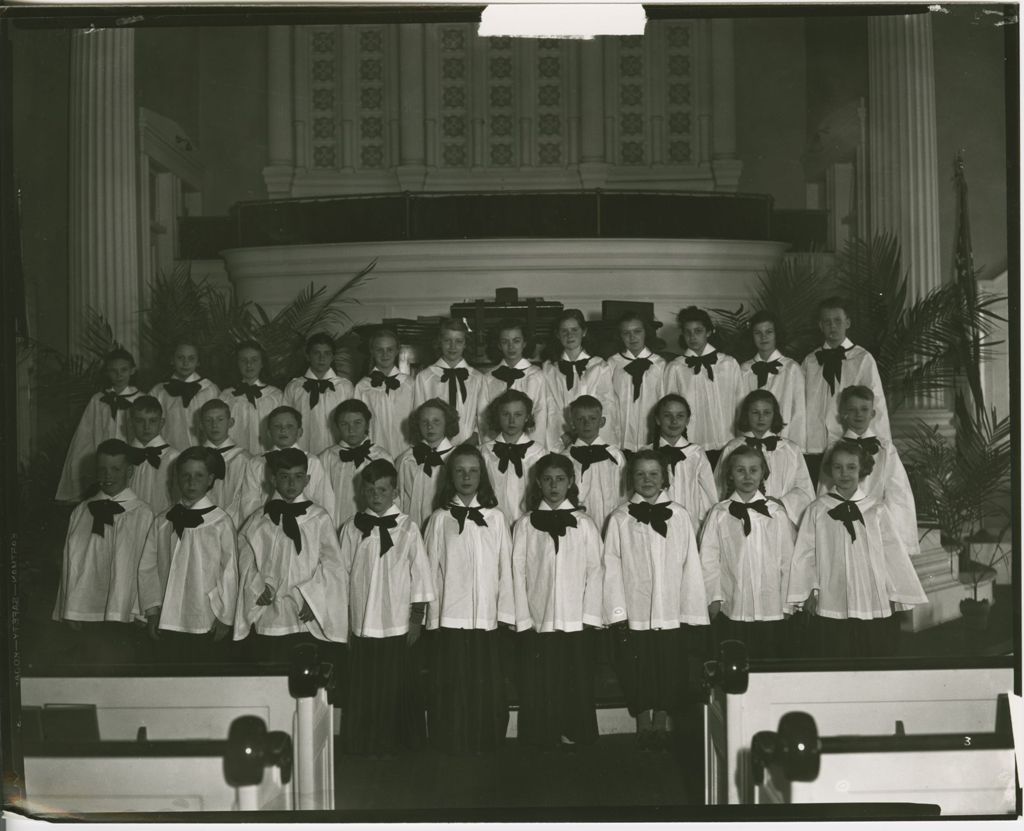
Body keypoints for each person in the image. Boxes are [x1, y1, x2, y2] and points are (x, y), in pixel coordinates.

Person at [603, 450, 708, 749]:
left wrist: (691, 609)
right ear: (630, 478)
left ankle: (661, 719)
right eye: (640, 474)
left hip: (670, 610)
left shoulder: (680, 515)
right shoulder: (620, 518)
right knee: (638, 668)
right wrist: (617, 611)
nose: (647, 480)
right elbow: (611, 567)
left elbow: (690, 564)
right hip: (635, 611)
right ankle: (642, 720)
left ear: (665, 478)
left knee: (668, 667)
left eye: (653, 474)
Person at [787, 442, 927, 658]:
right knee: (836, 652)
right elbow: (806, 554)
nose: (844, 474)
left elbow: (892, 553)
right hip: (832, 594)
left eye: (851, 467)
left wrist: (895, 590)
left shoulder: (876, 509)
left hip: (870, 594)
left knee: (872, 651)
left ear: (862, 469)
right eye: (838, 467)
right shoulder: (818, 509)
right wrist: (810, 589)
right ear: (830, 470)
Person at [339, 459, 435, 756]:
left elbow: (420, 575)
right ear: (361, 492)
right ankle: (365, 744)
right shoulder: (353, 528)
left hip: (397, 621)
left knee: (398, 684)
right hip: (363, 622)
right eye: (370, 490)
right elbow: (341, 574)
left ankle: (402, 744)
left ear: (395, 491)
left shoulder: (408, 528)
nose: (376, 496)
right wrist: (345, 622)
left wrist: (416, 619)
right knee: (366, 685)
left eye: (382, 490)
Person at [423, 445, 514, 754]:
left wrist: (504, 613)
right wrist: (432, 619)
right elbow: (430, 572)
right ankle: (450, 742)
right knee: (450, 684)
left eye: (473, 470)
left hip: (486, 618)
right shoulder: (439, 519)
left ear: (482, 476)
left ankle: (485, 741)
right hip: (450, 616)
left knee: (486, 684)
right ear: (450, 476)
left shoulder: (497, 518)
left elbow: (506, 569)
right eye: (460, 471)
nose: (466, 477)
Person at [512, 453, 603, 750]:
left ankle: (575, 732)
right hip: (540, 618)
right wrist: (524, 618)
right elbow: (518, 571)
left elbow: (595, 571)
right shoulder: (525, 525)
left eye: (560, 479)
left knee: (574, 679)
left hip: (576, 618)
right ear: (538, 483)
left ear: (571, 483)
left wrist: (590, 616)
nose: (554, 486)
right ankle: (542, 734)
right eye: (548, 480)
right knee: (540, 680)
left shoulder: (585, 523)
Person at [234, 448, 348, 659]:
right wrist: (256, 585)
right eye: (284, 477)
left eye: (297, 477)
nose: (291, 483)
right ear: (273, 479)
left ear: (307, 480)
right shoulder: (260, 519)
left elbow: (333, 565)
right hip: (269, 612)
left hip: (305, 613)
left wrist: (315, 599)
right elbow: (245, 555)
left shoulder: (319, 518)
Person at [52, 439, 155, 652]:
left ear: (129, 473)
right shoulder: (82, 511)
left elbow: (147, 566)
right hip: (86, 607)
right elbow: (70, 560)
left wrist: (144, 610)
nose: (108, 476)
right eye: (102, 469)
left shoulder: (142, 513)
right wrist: (68, 606)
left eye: (116, 469)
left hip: (125, 609)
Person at [137, 446, 239, 660]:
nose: (191, 482)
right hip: (168, 616)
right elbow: (148, 568)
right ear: (176, 478)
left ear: (210, 479)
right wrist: (152, 609)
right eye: (185, 476)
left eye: (199, 476)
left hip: (205, 616)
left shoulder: (220, 522)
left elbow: (229, 572)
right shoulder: (164, 520)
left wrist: (225, 616)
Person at [700, 445, 796, 659]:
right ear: (730, 475)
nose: (747, 476)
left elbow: (788, 561)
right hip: (732, 604)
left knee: (769, 661)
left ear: (763, 473)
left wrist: (788, 603)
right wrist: (712, 597)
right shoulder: (719, 513)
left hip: (771, 604)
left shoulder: (777, 513)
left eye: (753, 470)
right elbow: (709, 560)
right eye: (740, 470)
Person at [816, 385, 919, 558]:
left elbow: (898, 491)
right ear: (843, 415)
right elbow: (825, 489)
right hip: (842, 520)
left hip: (875, 522)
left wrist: (897, 536)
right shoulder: (834, 449)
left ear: (873, 414)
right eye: (852, 409)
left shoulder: (885, 448)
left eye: (864, 409)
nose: (858, 414)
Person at [802, 297, 891, 471]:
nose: (832, 326)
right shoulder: (810, 361)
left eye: (837, 321)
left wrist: (878, 444)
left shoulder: (862, 359)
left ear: (848, 323)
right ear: (820, 325)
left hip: (851, 448)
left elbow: (877, 404)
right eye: (827, 322)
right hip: (815, 447)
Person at [713, 390, 814, 526]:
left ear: (774, 415)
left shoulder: (790, 449)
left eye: (767, 413)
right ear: (746, 415)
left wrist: (781, 503)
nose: (761, 418)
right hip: (740, 518)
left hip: (780, 518)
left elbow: (804, 489)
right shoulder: (733, 448)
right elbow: (719, 488)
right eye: (755, 413)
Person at [55, 348, 142, 502]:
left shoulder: (140, 399)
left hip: (131, 460)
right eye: (113, 371)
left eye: (124, 370)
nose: (119, 375)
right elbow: (85, 433)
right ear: (107, 373)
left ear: (132, 370)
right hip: (104, 460)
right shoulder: (98, 400)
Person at [663, 306, 743, 467]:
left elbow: (740, 402)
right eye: (688, 332)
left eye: (698, 331)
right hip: (692, 443)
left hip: (727, 440)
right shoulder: (676, 367)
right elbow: (671, 407)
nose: (693, 337)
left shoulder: (728, 363)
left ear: (708, 332)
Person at [235, 406, 336, 527]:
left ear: (299, 432)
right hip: (267, 525)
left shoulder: (312, 461)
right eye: (277, 426)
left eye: (289, 426)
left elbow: (324, 499)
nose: (283, 430)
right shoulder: (257, 463)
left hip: (305, 524)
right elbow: (249, 502)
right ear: (269, 433)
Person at [541, 309, 618, 451]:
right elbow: (549, 405)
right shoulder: (549, 368)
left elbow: (606, 404)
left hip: (591, 435)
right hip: (560, 437)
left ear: (584, 332)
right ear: (557, 334)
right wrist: (563, 435)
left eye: (574, 330)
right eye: (564, 331)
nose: (569, 335)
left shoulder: (599, 365)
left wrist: (586, 431)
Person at [640, 394, 717, 528]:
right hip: (653, 522)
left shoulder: (696, 453)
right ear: (658, 420)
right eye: (667, 416)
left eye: (680, 416)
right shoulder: (647, 453)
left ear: (687, 420)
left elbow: (708, 493)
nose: (674, 421)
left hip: (689, 523)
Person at [318, 399, 392, 530]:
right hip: (335, 525)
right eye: (344, 424)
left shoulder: (382, 456)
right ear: (336, 426)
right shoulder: (326, 458)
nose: (351, 429)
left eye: (357, 423)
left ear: (367, 424)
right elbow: (320, 498)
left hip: (372, 528)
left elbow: (389, 498)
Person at [739, 310, 806, 449]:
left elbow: (799, 412)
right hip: (751, 443)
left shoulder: (792, 368)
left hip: (783, 443)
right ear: (751, 336)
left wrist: (796, 448)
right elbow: (740, 410)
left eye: (769, 332)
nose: (763, 337)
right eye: (758, 333)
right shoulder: (744, 370)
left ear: (777, 334)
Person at [412, 318, 486, 445]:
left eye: (458, 341)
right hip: (434, 446)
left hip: (468, 446)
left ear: (465, 344)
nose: (453, 346)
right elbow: (419, 416)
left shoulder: (477, 378)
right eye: (447, 341)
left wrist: (473, 440)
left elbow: (483, 417)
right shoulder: (425, 377)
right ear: (439, 342)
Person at [479, 318, 552, 444]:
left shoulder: (537, 376)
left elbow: (541, 416)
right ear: (499, 345)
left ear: (524, 343)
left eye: (516, 341)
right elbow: (484, 418)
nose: (511, 346)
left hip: (528, 448)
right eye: (505, 342)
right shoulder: (488, 378)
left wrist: (532, 447)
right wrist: (491, 446)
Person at [480, 389, 547, 524]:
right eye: (506, 414)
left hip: (529, 523)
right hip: (491, 522)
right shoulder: (485, 451)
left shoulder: (538, 452)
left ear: (527, 417)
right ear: (497, 416)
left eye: (518, 414)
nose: (512, 420)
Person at [562, 395, 626, 534]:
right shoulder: (567, 457)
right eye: (580, 419)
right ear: (572, 424)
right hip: (578, 524)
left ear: (602, 422)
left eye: (592, 418)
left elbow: (624, 493)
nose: (587, 424)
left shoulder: (615, 455)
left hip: (611, 522)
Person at [284, 332, 355, 455]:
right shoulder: (294, 387)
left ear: (332, 357)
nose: (322, 358)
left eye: (327, 353)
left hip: (337, 453)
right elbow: (285, 421)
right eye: (317, 353)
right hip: (301, 451)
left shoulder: (345, 387)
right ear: (308, 356)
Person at [607, 312, 667, 452]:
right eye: (626, 333)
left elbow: (663, 398)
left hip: (650, 430)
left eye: (637, 331)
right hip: (621, 431)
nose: (632, 337)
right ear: (620, 336)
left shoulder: (660, 364)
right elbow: (608, 399)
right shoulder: (613, 362)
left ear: (646, 333)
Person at [395, 398, 458, 528]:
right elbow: (398, 498)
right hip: (412, 528)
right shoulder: (406, 459)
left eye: (436, 421)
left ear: (447, 423)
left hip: (446, 527)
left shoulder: (456, 458)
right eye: (424, 422)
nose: (430, 426)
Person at [353, 328, 415, 458]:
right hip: (374, 453)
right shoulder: (363, 386)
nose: (385, 354)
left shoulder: (410, 384)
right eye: (379, 350)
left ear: (397, 351)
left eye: (389, 349)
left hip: (405, 452)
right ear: (372, 351)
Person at [149, 341, 221, 451]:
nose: (185, 363)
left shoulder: (209, 389)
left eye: (191, 358)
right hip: (168, 453)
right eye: (180, 358)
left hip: (202, 454)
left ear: (198, 362)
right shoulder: (159, 391)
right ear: (172, 360)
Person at [221, 340, 284, 455]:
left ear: (262, 363)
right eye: (243, 360)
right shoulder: (227, 396)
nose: (249, 365)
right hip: (233, 459)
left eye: (254, 360)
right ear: (237, 363)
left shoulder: (275, 395)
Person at [199, 398, 252, 528]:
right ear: (200, 425)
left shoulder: (244, 459)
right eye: (208, 420)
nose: (214, 425)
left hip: (234, 526)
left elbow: (246, 501)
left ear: (230, 422)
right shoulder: (194, 458)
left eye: (220, 419)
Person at [125, 396, 181, 516]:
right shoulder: (123, 456)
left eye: (152, 421)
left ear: (161, 423)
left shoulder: (173, 457)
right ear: (131, 423)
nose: (146, 427)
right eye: (140, 421)